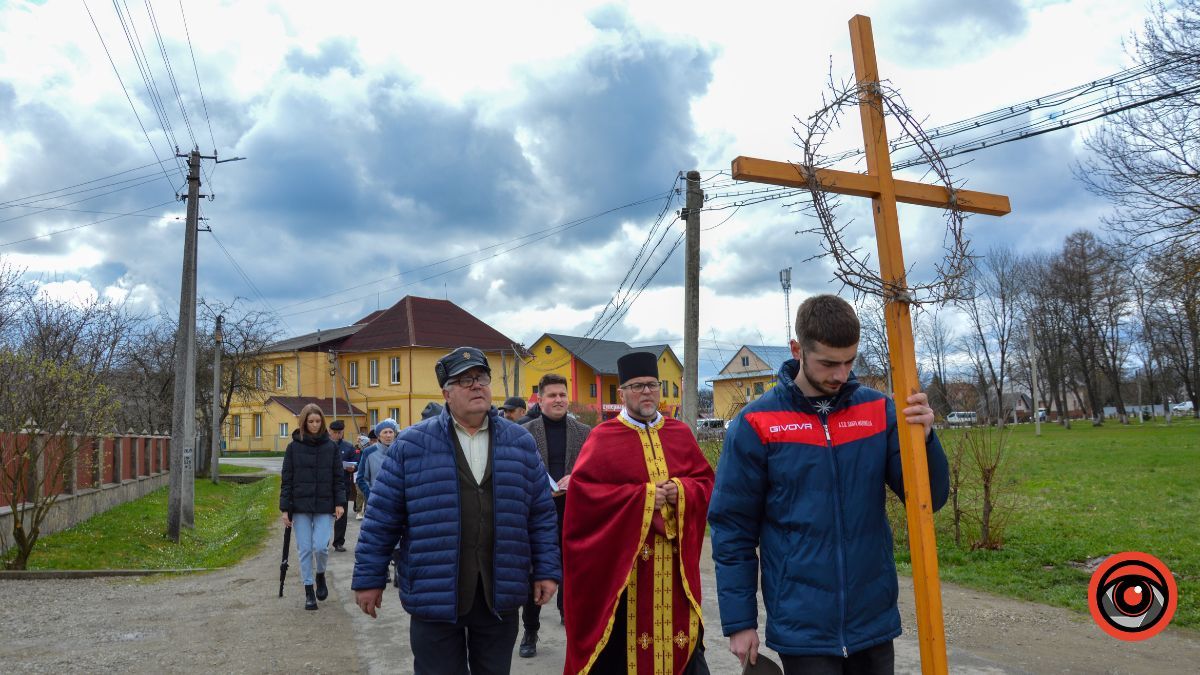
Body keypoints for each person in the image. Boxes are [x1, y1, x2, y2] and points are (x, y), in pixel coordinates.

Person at [707, 294, 950, 675]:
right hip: (802, 627)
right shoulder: (756, 423)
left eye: (849, 361)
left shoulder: (878, 412)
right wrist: (740, 623)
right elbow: (733, 529)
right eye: (828, 363)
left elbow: (929, 499)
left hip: (872, 620)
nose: (841, 374)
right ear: (797, 350)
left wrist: (926, 439)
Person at [352, 347, 561, 675]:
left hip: (498, 591)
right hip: (434, 591)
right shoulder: (412, 445)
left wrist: (546, 570)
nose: (476, 385)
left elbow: (540, 514)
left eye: (481, 378)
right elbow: (382, 518)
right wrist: (369, 577)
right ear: (446, 393)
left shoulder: (519, 442)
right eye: (464, 380)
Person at [562, 352, 714, 675]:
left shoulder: (680, 433)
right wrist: (643, 498)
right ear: (622, 394)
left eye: (652, 385)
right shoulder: (603, 438)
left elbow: (706, 483)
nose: (646, 392)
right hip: (627, 574)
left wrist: (681, 490)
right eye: (637, 386)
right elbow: (585, 499)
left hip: (675, 572)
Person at [517, 373, 592, 659]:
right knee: (535, 573)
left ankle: (569, 619)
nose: (558, 400)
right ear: (540, 399)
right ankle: (530, 630)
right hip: (536, 515)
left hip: (574, 512)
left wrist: (577, 478)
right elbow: (515, 472)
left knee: (572, 572)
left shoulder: (584, 432)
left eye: (562, 394)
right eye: (552, 395)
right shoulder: (524, 432)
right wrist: (539, 488)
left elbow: (595, 469)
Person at [279, 403, 346, 610]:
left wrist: (340, 502)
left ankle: (320, 574)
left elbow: (338, 478)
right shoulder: (293, 448)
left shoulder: (331, 447)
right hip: (300, 506)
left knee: (321, 547)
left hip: (324, 505)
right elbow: (287, 479)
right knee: (305, 549)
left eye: (318, 421)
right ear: (304, 423)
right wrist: (285, 509)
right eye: (311, 421)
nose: (315, 425)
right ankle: (309, 590)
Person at [356, 421, 396, 517]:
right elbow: (361, 478)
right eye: (385, 432)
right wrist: (371, 495)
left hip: (396, 502)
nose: (388, 435)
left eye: (391, 432)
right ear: (378, 436)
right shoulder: (369, 452)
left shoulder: (400, 451)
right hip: (376, 503)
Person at [329, 419, 356, 552]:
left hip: (343, 485)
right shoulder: (324, 446)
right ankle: (322, 542)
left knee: (341, 516)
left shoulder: (348, 447)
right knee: (325, 515)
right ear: (330, 431)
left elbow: (355, 464)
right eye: (335, 432)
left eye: (340, 432)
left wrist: (352, 468)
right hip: (326, 485)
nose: (337, 435)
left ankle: (338, 542)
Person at [355, 429, 377, 520]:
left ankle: (366, 511)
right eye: (372, 440)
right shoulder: (363, 450)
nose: (374, 443)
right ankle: (359, 511)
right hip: (362, 477)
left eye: (376, 440)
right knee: (360, 494)